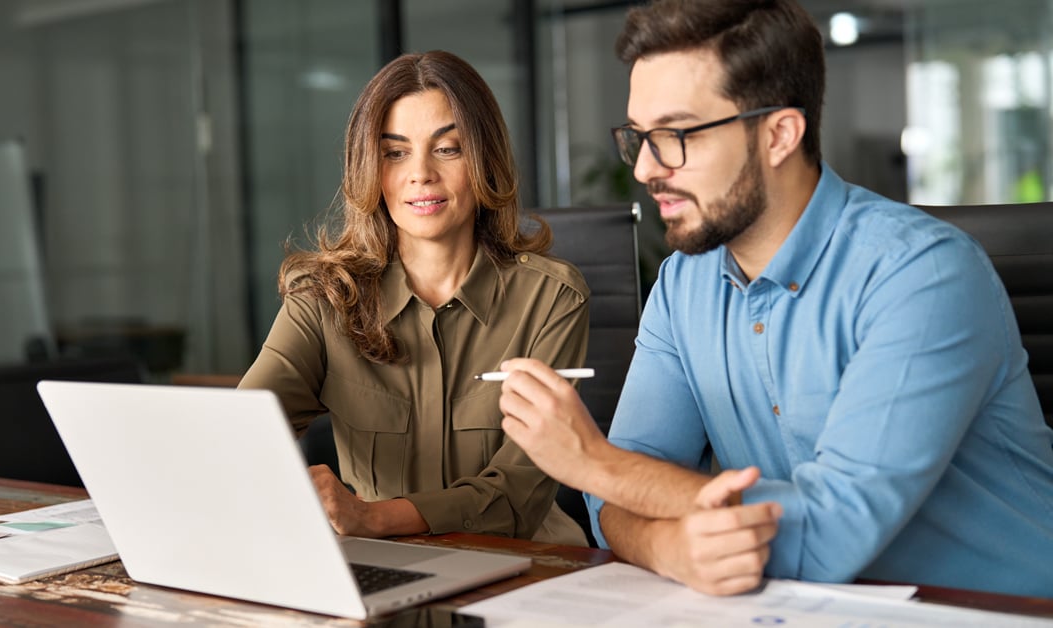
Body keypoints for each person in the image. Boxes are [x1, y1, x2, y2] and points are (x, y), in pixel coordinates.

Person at [496, 0, 1053, 597]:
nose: (646, 169)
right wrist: (667, 548)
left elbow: (827, 535)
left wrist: (592, 461)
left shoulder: (923, 275)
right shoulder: (684, 284)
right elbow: (616, 500)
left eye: (676, 135)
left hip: (993, 610)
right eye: (640, 137)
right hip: (799, 609)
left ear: (779, 134)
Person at [239, 50, 590, 547]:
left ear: (485, 160)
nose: (420, 173)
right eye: (395, 153)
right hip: (380, 564)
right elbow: (243, 430)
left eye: (447, 149)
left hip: (528, 564)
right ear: (369, 167)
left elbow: (517, 493)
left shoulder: (551, 298)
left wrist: (372, 518)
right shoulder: (322, 298)